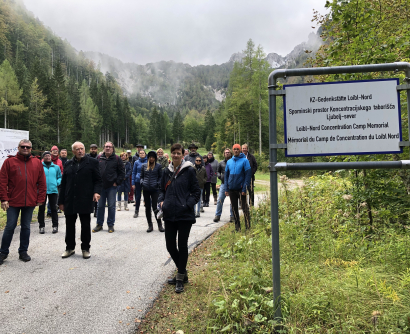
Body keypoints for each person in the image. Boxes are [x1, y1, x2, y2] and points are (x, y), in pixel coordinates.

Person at [158, 143, 200, 293]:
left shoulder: (189, 171)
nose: (175, 155)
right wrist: (162, 202)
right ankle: (183, 272)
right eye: (173, 153)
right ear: (171, 155)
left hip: (184, 215)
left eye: (178, 153)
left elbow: (196, 192)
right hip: (169, 214)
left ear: (183, 155)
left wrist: (187, 205)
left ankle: (180, 277)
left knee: (182, 245)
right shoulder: (166, 172)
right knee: (170, 245)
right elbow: (161, 189)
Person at [0, 139, 46, 265]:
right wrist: (3, 198)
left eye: (28, 147)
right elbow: (2, 181)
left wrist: (41, 198)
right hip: (13, 201)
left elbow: (42, 182)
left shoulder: (37, 162)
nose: (25, 149)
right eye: (23, 146)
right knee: (10, 226)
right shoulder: (9, 162)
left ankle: (23, 251)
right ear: (18, 147)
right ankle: (3, 252)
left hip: (30, 201)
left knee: (26, 227)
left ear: (31, 149)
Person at [58, 142, 102, 259]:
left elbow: (98, 180)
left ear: (84, 149)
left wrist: (97, 192)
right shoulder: (68, 164)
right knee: (70, 225)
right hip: (70, 199)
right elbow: (63, 184)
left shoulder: (92, 162)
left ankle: (85, 248)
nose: (80, 151)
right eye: (77, 149)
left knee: (85, 225)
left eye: (81, 148)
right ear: (73, 151)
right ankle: (69, 248)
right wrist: (60, 201)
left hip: (85, 198)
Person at [93, 142, 125, 233]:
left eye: (109, 147)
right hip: (101, 187)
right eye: (106, 147)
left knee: (111, 206)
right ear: (103, 148)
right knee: (100, 206)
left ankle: (110, 225)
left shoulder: (117, 158)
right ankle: (99, 224)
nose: (107, 148)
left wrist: (117, 182)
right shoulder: (99, 158)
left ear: (112, 148)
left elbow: (122, 172)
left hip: (112, 187)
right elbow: (94, 171)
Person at [225, 144, 251, 231]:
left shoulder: (245, 161)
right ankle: (237, 227)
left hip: (241, 189)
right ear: (232, 150)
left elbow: (248, 176)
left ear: (240, 150)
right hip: (232, 189)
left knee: (244, 207)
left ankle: (248, 226)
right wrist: (226, 188)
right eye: (234, 149)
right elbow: (226, 176)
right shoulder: (229, 162)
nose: (236, 150)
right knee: (234, 208)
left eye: (237, 149)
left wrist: (244, 188)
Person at [38, 151, 62, 234]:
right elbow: (36, 177)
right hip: (42, 191)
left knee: (54, 209)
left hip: (53, 190)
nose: (48, 157)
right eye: (46, 156)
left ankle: (55, 226)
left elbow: (60, 176)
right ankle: (41, 226)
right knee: (41, 209)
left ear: (51, 157)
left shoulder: (56, 167)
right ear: (43, 157)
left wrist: (57, 183)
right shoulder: (39, 167)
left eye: (49, 156)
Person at [140, 151, 164, 232]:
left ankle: (159, 224)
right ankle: (150, 225)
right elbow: (141, 176)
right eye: (150, 157)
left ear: (155, 158)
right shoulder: (143, 166)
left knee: (155, 207)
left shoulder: (158, 166)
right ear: (148, 157)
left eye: (153, 157)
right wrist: (142, 182)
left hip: (155, 189)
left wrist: (158, 183)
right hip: (146, 189)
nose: (151, 158)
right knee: (147, 208)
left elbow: (161, 177)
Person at [214, 148, 234, 222]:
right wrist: (219, 176)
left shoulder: (233, 162)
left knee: (232, 201)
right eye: (226, 152)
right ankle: (217, 215)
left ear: (231, 153)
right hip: (223, 184)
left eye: (228, 152)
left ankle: (232, 216)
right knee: (220, 200)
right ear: (224, 154)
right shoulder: (221, 163)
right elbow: (217, 171)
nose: (227, 153)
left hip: (232, 184)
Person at [132, 150, 147, 218]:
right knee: (138, 196)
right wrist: (133, 182)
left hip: (146, 180)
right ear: (139, 155)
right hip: (138, 180)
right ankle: (136, 211)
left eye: (143, 153)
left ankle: (148, 211)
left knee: (146, 196)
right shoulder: (136, 162)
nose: (142, 154)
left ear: (145, 154)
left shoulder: (148, 161)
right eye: (140, 153)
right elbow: (134, 172)